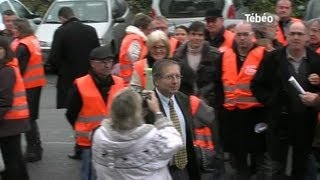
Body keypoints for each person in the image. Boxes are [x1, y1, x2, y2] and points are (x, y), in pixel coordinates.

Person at [251, 21, 320, 180]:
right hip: (279, 125)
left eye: (300, 34)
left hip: (305, 126)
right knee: (276, 167)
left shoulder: (316, 60)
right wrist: (272, 102)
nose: (296, 37)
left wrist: (316, 99)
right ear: (286, 36)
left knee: (300, 167)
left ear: (307, 37)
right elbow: (256, 86)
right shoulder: (272, 58)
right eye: (293, 34)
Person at [147, 59, 224, 180]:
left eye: (178, 76)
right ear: (156, 80)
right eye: (169, 77)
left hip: (184, 169)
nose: (175, 81)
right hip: (160, 171)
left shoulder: (183, 99)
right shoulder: (147, 105)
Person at [212, 21, 270, 180]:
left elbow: (271, 85)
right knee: (238, 162)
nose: (242, 38)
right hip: (232, 117)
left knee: (261, 159)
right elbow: (217, 84)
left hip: (257, 116)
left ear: (253, 36)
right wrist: (220, 107)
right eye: (239, 34)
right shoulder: (224, 56)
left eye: (246, 34)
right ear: (235, 36)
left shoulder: (265, 56)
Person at [92, 88, 183, 180]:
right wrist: (157, 112)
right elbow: (175, 141)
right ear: (141, 113)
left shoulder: (100, 136)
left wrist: (128, 97)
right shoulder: (148, 139)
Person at [66, 45, 125, 180]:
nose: (107, 65)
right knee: (90, 174)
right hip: (89, 142)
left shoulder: (119, 82)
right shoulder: (80, 84)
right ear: (92, 63)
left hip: (114, 139)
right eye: (103, 62)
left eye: (110, 61)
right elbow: (71, 113)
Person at [48, 6, 100, 160]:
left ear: (62, 18)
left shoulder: (61, 32)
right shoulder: (90, 30)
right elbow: (97, 53)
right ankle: (94, 143)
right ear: (73, 15)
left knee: (74, 114)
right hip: (90, 78)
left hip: (69, 81)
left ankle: (81, 146)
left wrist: (59, 70)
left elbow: (54, 58)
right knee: (92, 114)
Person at [10, 18, 46, 162]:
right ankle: (35, 148)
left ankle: (34, 150)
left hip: (27, 86)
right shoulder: (32, 40)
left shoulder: (23, 45)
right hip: (35, 84)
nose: (12, 30)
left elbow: (18, 69)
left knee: (27, 119)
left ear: (20, 29)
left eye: (14, 28)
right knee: (30, 118)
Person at [0, 37, 30, 180]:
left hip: (8, 121)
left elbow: (4, 101)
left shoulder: (6, 70)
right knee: (15, 157)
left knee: (11, 161)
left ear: (6, 51)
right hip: (13, 120)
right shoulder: (7, 67)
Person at [174, 21, 221, 105]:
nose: (196, 38)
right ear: (188, 35)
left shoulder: (214, 55)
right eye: (193, 34)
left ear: (204, 37)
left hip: (209, 101)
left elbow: (217, 80)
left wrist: (204, 94)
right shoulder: (178, 56)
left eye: (200, 35)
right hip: (186, 101)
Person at [118, 13, 153, 85]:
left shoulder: (132, 37)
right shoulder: (136, 40)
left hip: (130, 78)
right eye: (148, 29)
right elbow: (135, 62)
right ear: (141, 28)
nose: (150, 32)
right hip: (132, 80)